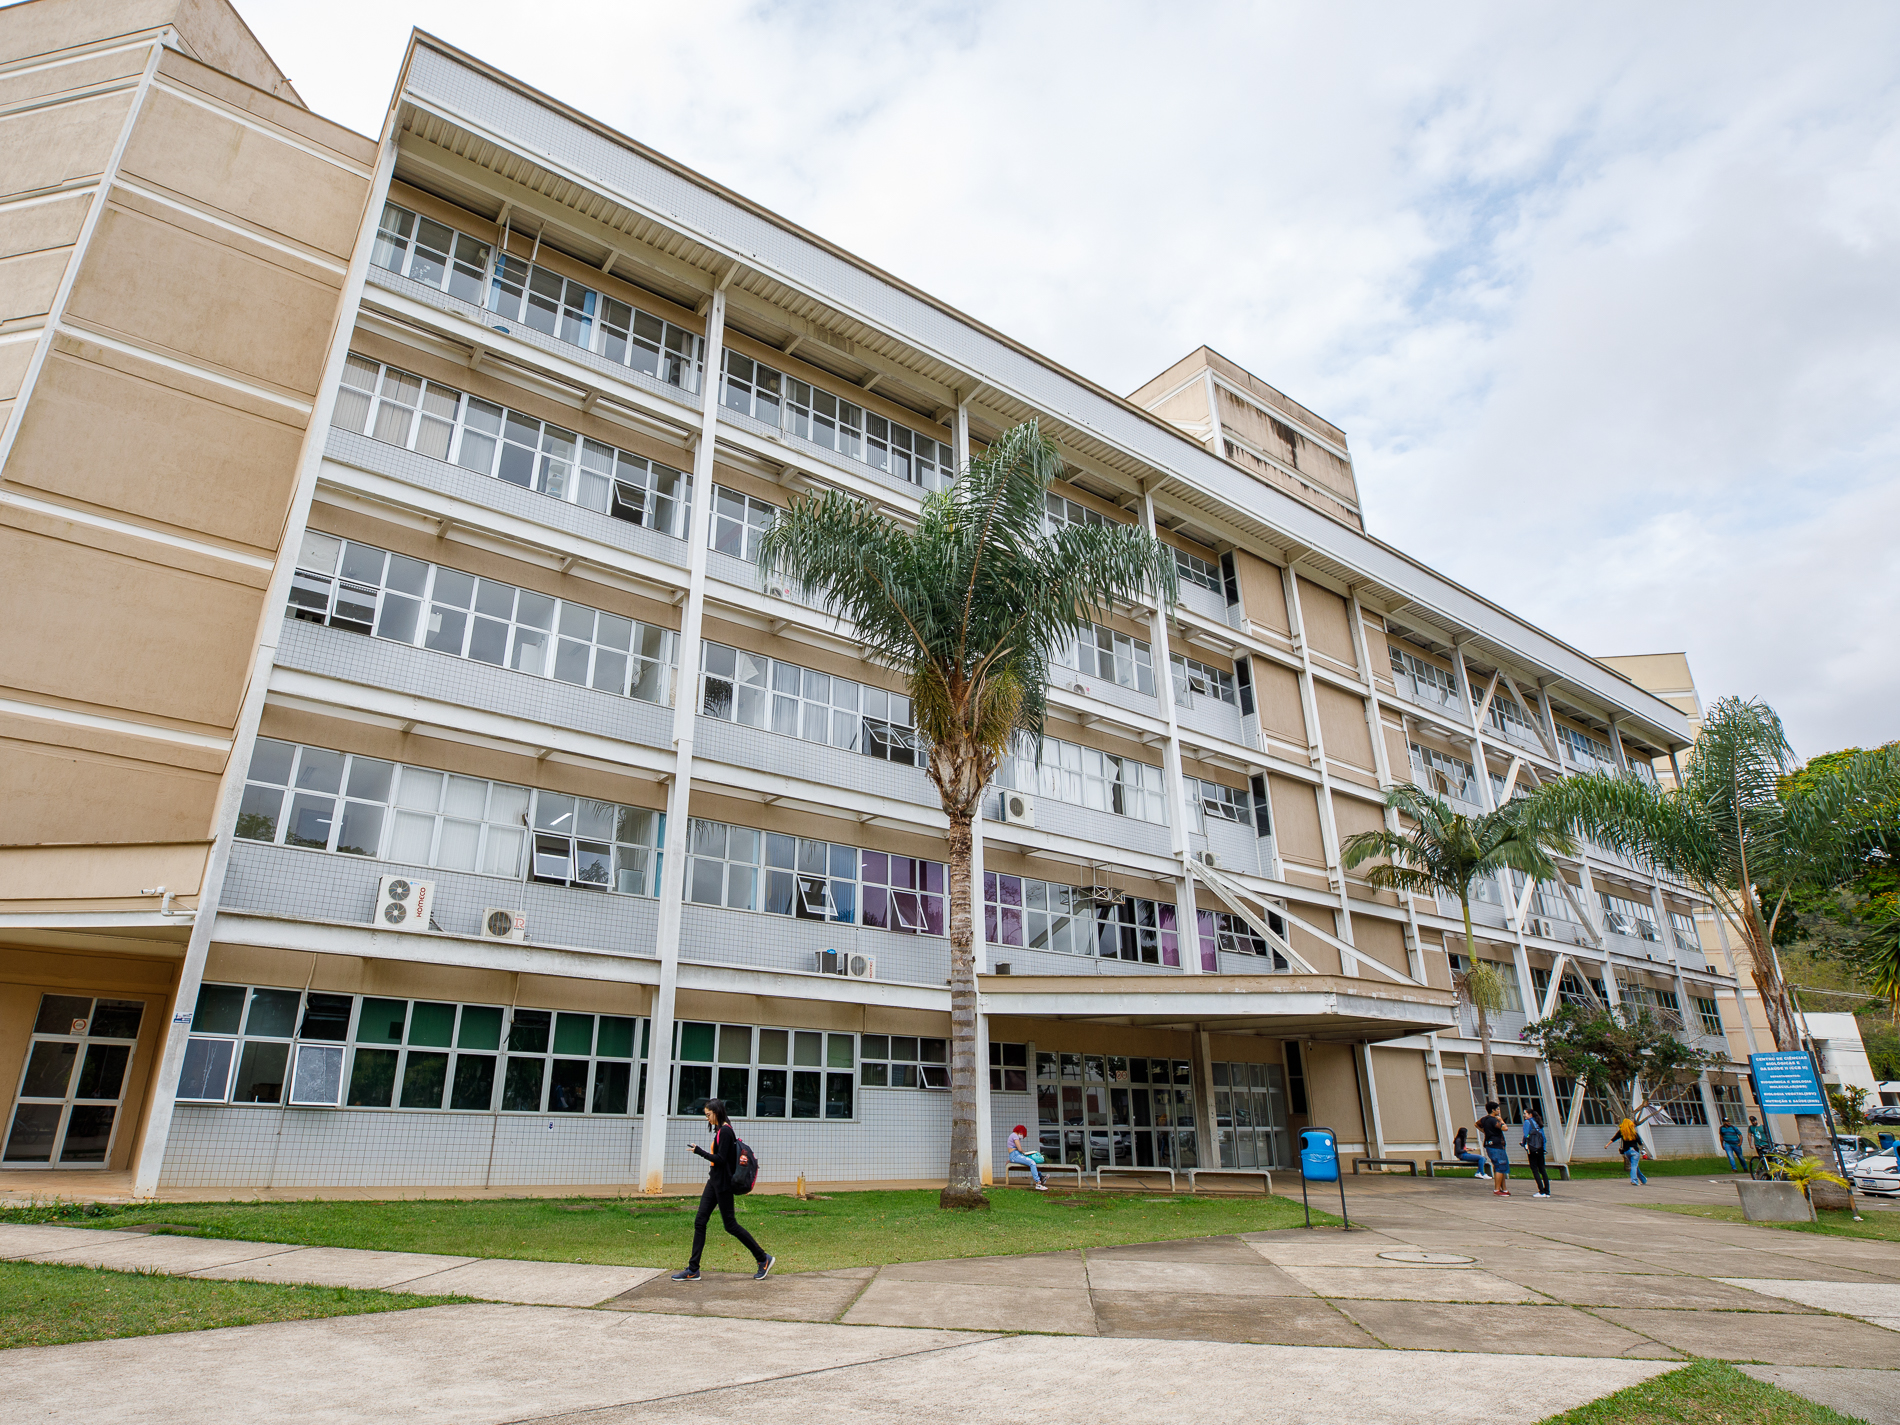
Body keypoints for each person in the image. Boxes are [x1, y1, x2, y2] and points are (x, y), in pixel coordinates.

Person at [671, 1099, 773, 1282]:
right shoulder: (720, 1130)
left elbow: (720, 1159)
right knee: (700, 1221)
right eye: (706, 1115)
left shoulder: (725, 1131)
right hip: (714, 1182)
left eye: (708, 1115)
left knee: (730, 1225)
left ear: (716, 1112)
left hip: (723, 1184)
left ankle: (763, 1258)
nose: (707, 1118)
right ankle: (693, 1269)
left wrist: (699, 1151)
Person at [1476, 1100, 1511, 1196]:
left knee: (1501, 1167)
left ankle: (1504, 1189)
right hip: (1496, 1146)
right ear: (1493, 1110)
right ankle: (1497, 1189)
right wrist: (1501, 1120)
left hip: (1489, 1145)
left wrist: (1485, 1132)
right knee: (1500, 1167)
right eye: (1498, 1109)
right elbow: (1505, 1128)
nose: (1499, 1111)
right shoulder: (1493, 1120)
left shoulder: (1484, 1119)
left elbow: (1476, 1124)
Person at [1522, 1107, 1551, 1198]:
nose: (1524, 1115)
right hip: (1540, 1149)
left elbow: (1526, 1135)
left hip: (1532, 1149)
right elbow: (1544, 1139)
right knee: (1542, 1169)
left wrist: (1524, 1145)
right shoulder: (1539, 1123)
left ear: (1530, 1114)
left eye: (1525, 1113)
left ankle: (1541, 1191)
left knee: (1534, 1169)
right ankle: (1547, 1191)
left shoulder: (1527, 1122)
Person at [1008, 1125, 1048, 1191]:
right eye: (1023, 1134)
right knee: (1032, 1162)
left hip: (1015, 1155)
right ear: (1020, 1132)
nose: (1022, 1136)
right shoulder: (1015, 1136)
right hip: (1015, 1155)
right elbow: (1020, 1149)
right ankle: (1038, 1183)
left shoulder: (1012, 1135)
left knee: (1032, 1161)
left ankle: (1041, 1177)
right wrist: (1025, 1152)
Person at [1608, 1117, 1647, 1185]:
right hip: (1634, 1151)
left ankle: (1643, 1180)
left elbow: (1614, 1138)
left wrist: (1607, 1145)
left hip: (1627, 1151)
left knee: (1634, 1166)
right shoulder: (1634, 1132)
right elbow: (1640, 1142)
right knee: (1634, 1166)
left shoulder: (1621, 1132)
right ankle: (1634, 1180)